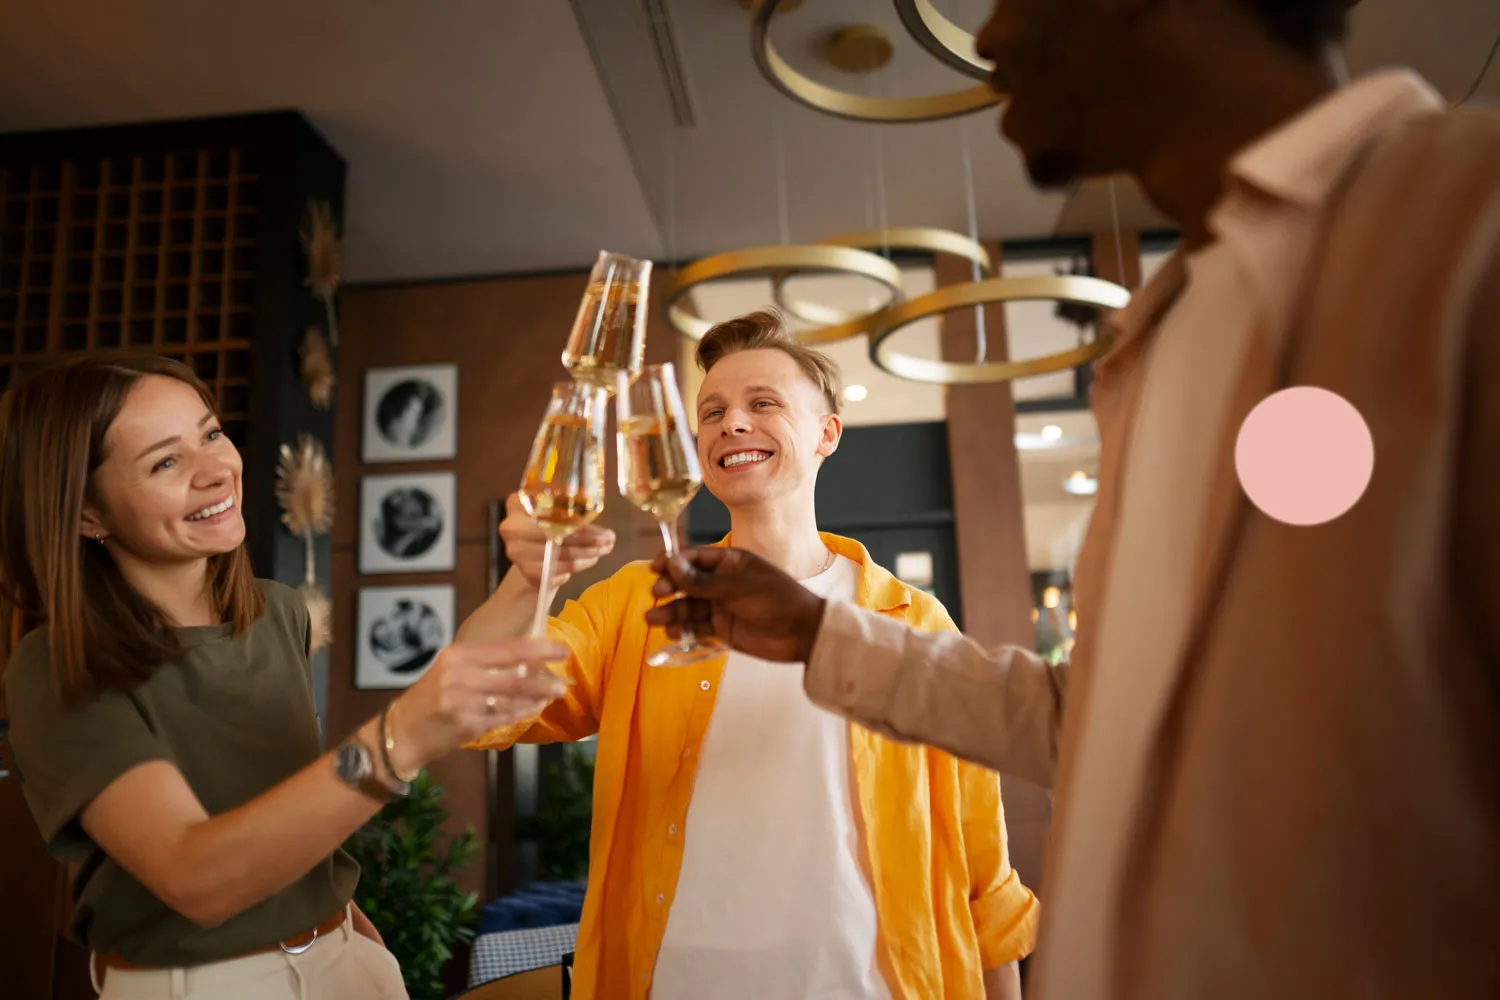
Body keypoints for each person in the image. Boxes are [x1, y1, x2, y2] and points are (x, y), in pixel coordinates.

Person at [646, 1, 1500, 998]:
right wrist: (819, 633)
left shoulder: (1467, 219)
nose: (991, 38)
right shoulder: (1170, 329)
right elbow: (1107, 719)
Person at [460, 312, 1038, 999]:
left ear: (827, 433)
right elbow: (477, 711)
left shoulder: (913, 622)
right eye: (712, 412)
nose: (731, 423)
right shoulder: (637, 605)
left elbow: (983, 868)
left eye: (763, 403)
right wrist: (530, 577)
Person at [1, 352, 567, 1000]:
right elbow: (196, 875)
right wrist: (397, 738)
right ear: (85, 515)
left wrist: (532, 576)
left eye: (211, 434)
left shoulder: (277, 613)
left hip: (344, 957)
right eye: (165, 461)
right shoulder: (57, 667)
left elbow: (293, 817)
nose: (216, 471)